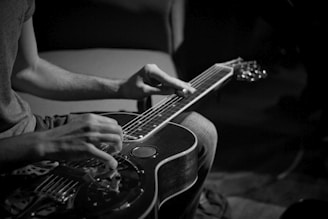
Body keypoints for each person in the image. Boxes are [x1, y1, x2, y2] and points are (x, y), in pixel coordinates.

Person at [0, 1, 218, 218]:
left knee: (200, 132)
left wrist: (121, 88)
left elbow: (28, 70)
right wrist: (44, 142)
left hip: (32, 126)